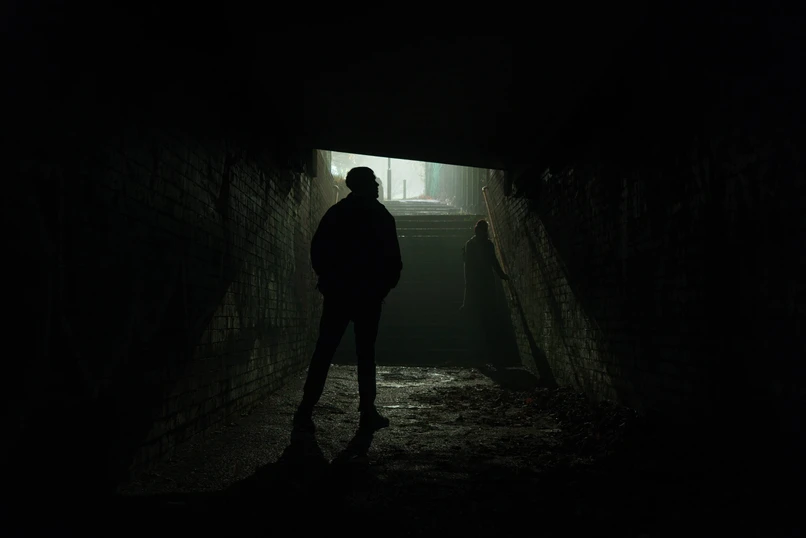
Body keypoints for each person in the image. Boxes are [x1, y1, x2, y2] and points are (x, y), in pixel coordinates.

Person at [293, 166, 403, 434]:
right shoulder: (381, 215)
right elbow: (393, 261)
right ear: (365, 185)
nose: (378, 185)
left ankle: (305, 409)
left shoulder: (336, 213)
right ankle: (367, 412)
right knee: (366, 354)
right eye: (374, 181)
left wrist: (329, 281)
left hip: (339, 294)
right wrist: (382, 288)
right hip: (368, 295)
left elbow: (317, 249)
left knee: (324, 350)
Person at [461, 219, 510, 362]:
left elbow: (493, 261)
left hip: (484, 285)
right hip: (480, 286)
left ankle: (487, 353)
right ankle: (483, 353)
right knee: (482, 318)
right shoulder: (473, 245)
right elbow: (469, 268)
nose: (484, 233)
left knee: (486, 317)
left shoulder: (479, 245)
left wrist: (501, 275)